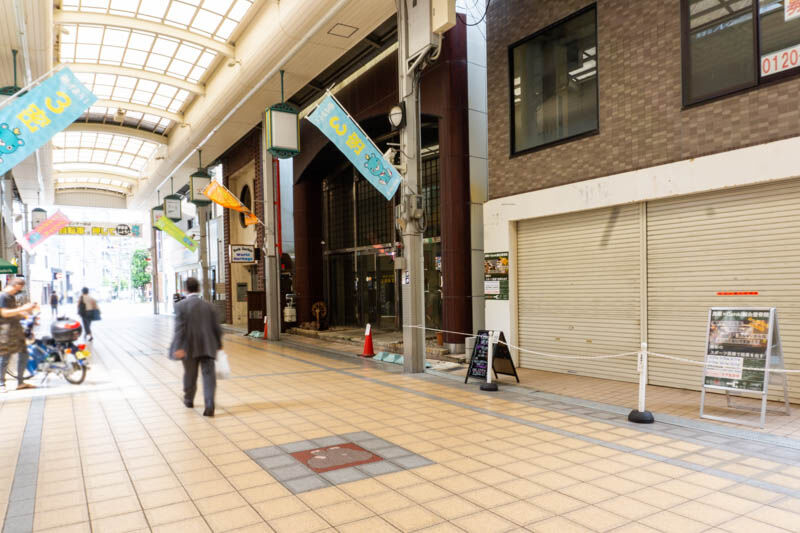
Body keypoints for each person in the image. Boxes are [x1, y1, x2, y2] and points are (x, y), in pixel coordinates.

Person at [169, 277, 222, 417]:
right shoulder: (209, 306)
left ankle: (189, 400)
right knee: (209, 376)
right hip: (208, 347)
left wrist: (178, 347)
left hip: (188, 348)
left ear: (185, 289)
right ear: (199, 289)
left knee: (190, 375)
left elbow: (179, 329)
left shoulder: (180, 306)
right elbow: (217, 328)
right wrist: (219, 345)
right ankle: (209, 405)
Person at [0, 278, 39, 392]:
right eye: (19, 288)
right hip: (5, 331)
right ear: (15, 285)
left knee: (24, 353)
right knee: (5, 356)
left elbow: (14, 312)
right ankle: (1, 384)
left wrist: (28, 316)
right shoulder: (3, 296)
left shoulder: (11, 297)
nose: (19, 290)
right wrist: (23, 308)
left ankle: (20, 382)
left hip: (16, 330)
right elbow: (5, 313)